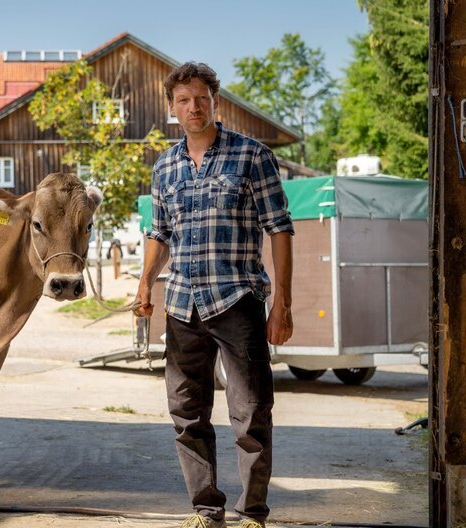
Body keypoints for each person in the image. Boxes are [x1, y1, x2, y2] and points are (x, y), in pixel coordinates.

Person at [133, 63, 294, 528]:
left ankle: (253, 514)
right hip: (182, 304)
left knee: (250, 411)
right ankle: (206, 510)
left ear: (215, 101)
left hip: (236, 299)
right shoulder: (165, 165)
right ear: (171, 108)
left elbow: (279, 229)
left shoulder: (251, 156)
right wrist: (145, 282)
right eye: (184, 100)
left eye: (201, 98)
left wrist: (281, 303)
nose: (194, 107)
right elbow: (158, 232)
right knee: (186, 413)